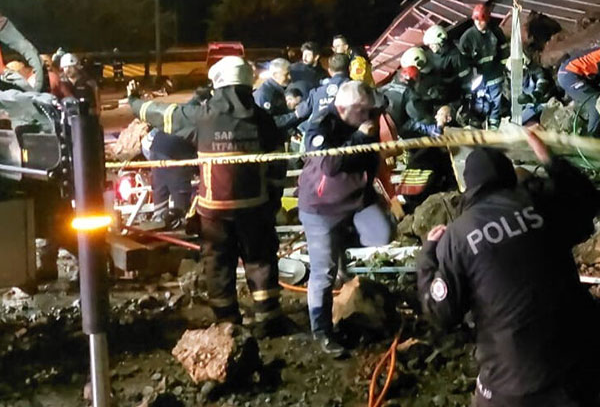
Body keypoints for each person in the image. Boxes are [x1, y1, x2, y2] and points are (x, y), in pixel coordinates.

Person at [417, 131, 600, 406]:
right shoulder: (541, 204)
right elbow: (587, 203)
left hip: (513, 388)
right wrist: (550, 160)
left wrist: (427, 257)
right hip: (576, 371)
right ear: (510, 176)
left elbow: (442, 313)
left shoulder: (458, 235)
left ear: (469, 187)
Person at [127, 56, 287, 331]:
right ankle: (268, 318)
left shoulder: (202, 117)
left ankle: (227, 322)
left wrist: (133, 101)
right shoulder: (263, 120)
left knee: (218, 262)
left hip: (215, 213)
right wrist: (273, 199)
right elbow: (278, 164)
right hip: (255, 208)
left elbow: (161, 114)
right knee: (260, 259)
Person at [297, 81, 397, 355]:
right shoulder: (321, 125)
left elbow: (383, 107)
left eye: (369, 110)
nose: (367, 115)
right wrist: (361, 137)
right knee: (323, 271)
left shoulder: (365, 117)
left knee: (383, 233)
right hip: (322, 207)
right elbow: (330, 165)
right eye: (362, 111)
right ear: (343, 108)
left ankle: (340, 246)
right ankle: (322, 329)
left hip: (357, 200)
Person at [458, 4, 509, 128]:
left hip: (494, 72)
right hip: (477, 76)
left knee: (496, 99)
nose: (479, 23)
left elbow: (504, 51)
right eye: (476, 20)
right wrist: (471, 76)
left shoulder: (496, 32)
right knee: (478, 100)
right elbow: (463, 61)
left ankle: (494, 121)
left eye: (481, 20)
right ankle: (476, 120)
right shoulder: (467, 37)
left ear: (487, 20)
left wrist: (501, 68)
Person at [141, 128, 197, 228]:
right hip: (177, 152)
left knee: (161, 184)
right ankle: (179, 218)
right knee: (179, 189)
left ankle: (160, 217)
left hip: (155, 146)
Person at [296, 53, 352, 129]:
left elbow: (301, 112)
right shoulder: (358, 89)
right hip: (348, 132)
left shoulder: (317, 91)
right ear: (350, 68)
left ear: (329, 71)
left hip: (319, 133)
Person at [423, 24, 469, 104]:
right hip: (439, 90)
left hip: (452, 91)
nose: (430, 47)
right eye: (429, 45)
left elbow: (464, 75)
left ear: (440, 42)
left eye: (432, 44)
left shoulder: (455, 56)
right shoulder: (430, 55)